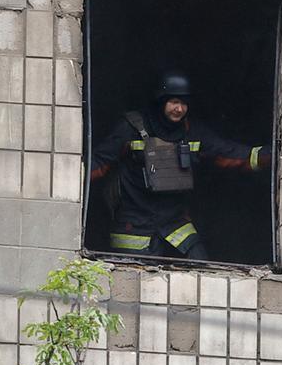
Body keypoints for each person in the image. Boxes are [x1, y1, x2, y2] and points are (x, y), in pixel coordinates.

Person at [90, 73, 271, 261]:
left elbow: (229, 154)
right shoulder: (130, 128)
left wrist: (270, 156)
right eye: (174, 102)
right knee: (135, 279)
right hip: (133, 223)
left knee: (200, 265)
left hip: (174, 221)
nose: (179, 109)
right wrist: (69, 179)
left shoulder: (192, 131)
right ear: (161, 101)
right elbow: (100, 162)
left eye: (184, 103)